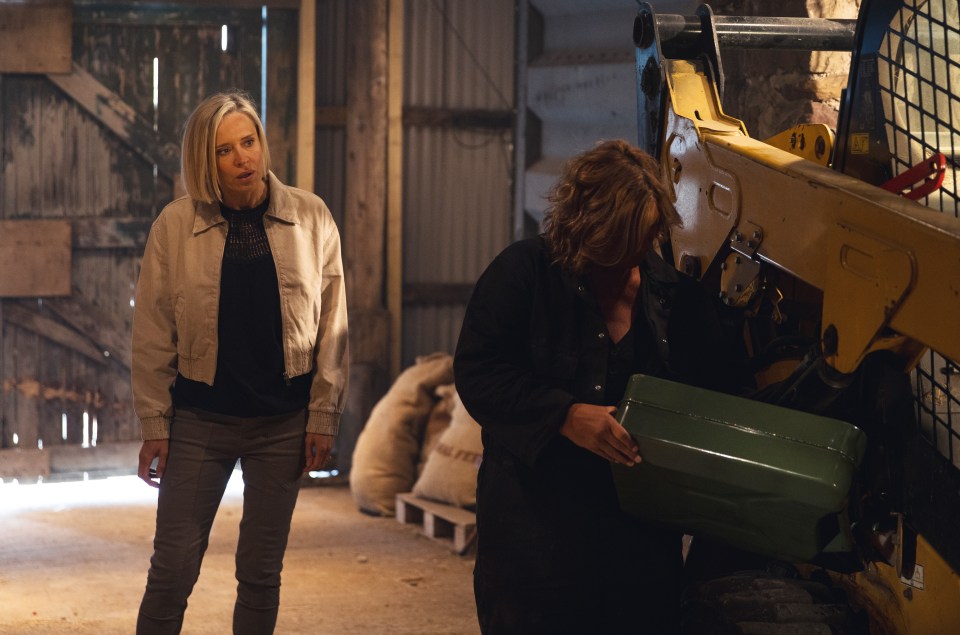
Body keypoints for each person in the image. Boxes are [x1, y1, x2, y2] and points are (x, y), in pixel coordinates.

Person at [454, 139, 749, 633]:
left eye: (644, 237)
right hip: (534, 537)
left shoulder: (678, 301)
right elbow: (479, 372)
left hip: (637, 547)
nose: (632, 256)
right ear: (583, 224)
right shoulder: (522, 275)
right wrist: (565, 416)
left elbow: (724, 398)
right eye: (617, 242)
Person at [132, 90, 348, 635]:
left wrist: (323, 414)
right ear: (206, 161)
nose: (243, 158)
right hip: (202, 422)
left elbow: (334, 326)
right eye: (225, 150)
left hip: (283, 424)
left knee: (260, 572)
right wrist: (155, 424)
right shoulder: (176, 226)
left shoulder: (311, 216)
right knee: (173, 569)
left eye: (248, 142)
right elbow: (154, 330)